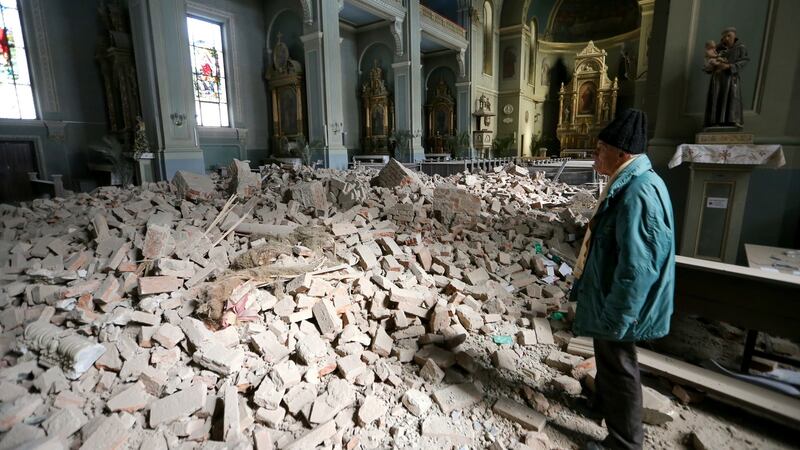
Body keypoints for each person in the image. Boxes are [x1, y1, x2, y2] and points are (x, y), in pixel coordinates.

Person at [570, 108, 675, 450]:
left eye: (601, 148)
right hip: (610, 294)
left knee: (620, 366)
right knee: (608, 358)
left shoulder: (640, 192)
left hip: (622, 300)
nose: (595, 154)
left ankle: (624, 442)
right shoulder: (629, 179)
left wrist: (618, 314)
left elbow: (639, 267)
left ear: (622, 153)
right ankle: (603, 405)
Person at [704, 27, 749, 128]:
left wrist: (729, 66)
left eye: (729, 36)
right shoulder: (717, 48)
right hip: (718, 79)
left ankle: (732, 121)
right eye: (725, 36)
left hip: (731, 78)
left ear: (734, 36)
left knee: (732, 98)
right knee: (716, 97)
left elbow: (744, 60)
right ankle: (714, 122)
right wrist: (710, 66)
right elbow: (708, 61)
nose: (727, 38)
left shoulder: (740, 47)